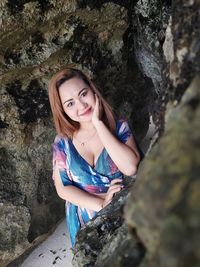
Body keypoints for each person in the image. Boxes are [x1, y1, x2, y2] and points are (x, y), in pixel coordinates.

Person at [48, 68, 140, 248]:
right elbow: (63, 189)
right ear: (63, 111)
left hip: (119, 213)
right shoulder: (62, 142)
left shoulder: (118, 127)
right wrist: (101, 203)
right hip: (83, 220)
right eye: (70, 104)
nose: (81, 106)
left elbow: (130, 167)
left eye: (83, 94)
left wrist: (98, 124)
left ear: (92, 89)